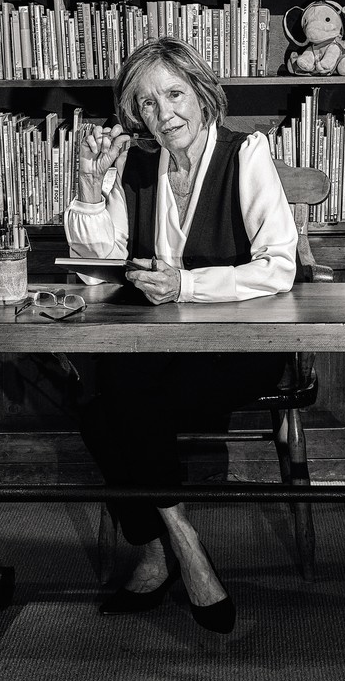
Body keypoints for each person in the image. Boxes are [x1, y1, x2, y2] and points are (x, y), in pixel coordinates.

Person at [63, 37, 298, 634]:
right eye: (145, 103)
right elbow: (98, 262)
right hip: (157, 349)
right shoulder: (140, 166)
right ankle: (180, 536)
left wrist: (186, 288)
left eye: (173, 94)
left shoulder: (248, 153)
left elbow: (278, 266)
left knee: (107, 401)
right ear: (132, 114)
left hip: (240, 349)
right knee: (110, 389)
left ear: (201, 92)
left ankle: (155, 552)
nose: (163, 113)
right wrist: (91, 187)